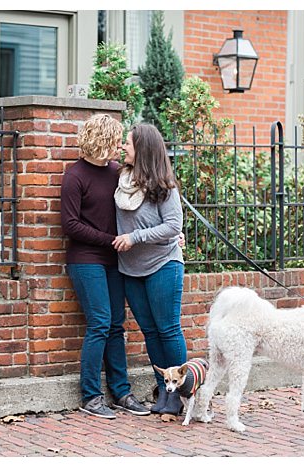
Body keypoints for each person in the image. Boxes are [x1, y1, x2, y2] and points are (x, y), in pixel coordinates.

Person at [60, 114, 150, 419]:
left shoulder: (117, 173)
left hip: (115, 260)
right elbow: (70, 225)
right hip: (86, 261)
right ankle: (91, 396)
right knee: (99, 322)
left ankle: (121, 392)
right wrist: (110, 239)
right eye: (116, 140)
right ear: (102, 140)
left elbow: (143, 205)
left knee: (115, 325)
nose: (120, 146)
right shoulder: (75, 176)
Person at [112, 123, 187, 416]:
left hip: (163, 264)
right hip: (131, 269)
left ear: (142, 149)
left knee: (168, 330)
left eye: (127, 144)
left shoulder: (163, 186)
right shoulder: (122, 180)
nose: (123, 148)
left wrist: (135, 237)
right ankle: (164, 391)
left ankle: (183, 394)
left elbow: (173, 227)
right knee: (150, 332)